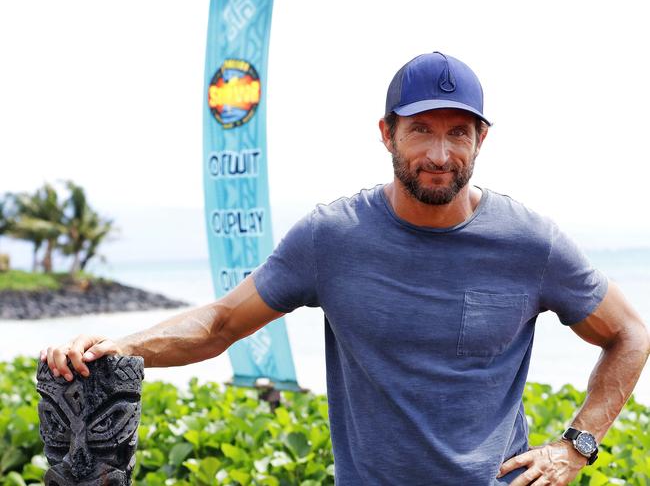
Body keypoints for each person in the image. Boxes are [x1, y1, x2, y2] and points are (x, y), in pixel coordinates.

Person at [43, 51, 649, 485]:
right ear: (387, 134)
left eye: (457, 134)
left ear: (481, 139)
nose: (440, 155)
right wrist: (119, 346)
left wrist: (576, 445)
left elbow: (631, 334)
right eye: (420, 132)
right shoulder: (334, 237)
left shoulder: (531, 243)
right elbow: (222, 323)